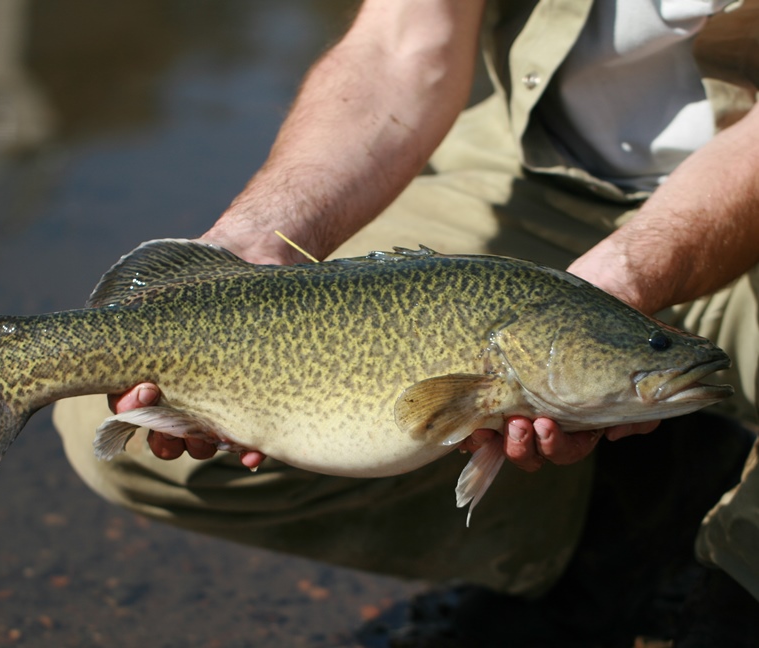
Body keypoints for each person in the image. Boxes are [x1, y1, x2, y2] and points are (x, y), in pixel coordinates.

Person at [54, 0, 759, 643]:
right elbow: (402, 42)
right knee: (110, 432)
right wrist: (250, 244)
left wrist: (621, 287)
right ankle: (609, 524)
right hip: (523, 163)